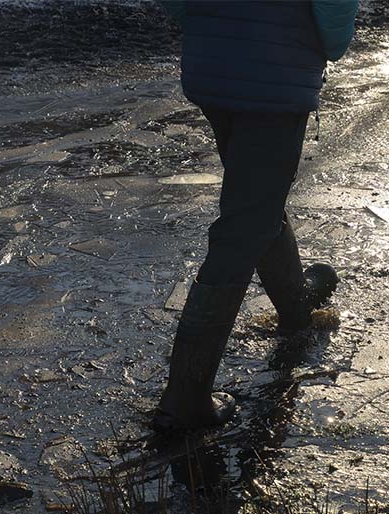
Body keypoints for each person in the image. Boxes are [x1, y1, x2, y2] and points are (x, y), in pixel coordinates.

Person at [153, 0, 359, 431]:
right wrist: (326, 44)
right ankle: (186, 397)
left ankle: (295, 309)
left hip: (214, 64)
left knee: (256, 202)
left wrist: (216, 23)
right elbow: (335, 22)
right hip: (277, 71)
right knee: (246, 221)